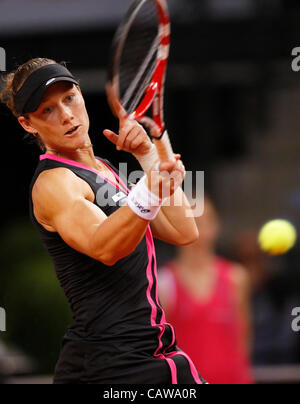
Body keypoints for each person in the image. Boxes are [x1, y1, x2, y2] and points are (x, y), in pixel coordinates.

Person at [0, 58, 207, 384]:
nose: (66, 114)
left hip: (148, 353)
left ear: (80, 94)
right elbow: (104, 246)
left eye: (69, 98)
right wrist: (150, 189)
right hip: (111, 364)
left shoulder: (106, 168)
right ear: (28, 124)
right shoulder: (55, 183)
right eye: (47, 110)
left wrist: (150, 157)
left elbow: (184, 231)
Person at [159, 196, 254, 384]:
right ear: (174, 225)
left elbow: (244, 341)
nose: (197, 230)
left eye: (202, 222)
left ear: (215, 226)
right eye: (190, 220)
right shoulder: (163, 282)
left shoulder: (237, 277)